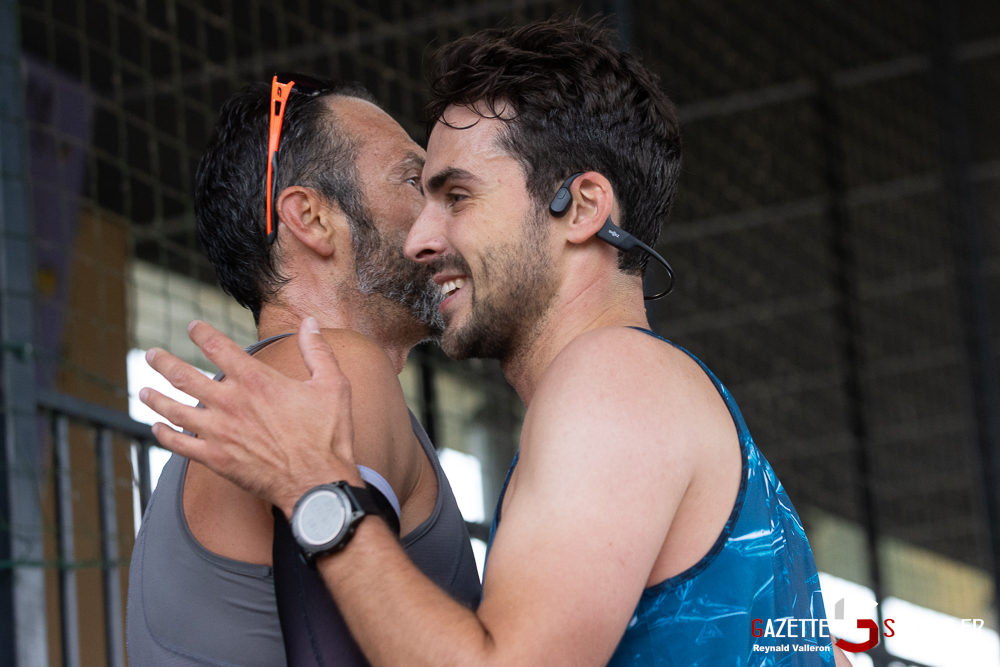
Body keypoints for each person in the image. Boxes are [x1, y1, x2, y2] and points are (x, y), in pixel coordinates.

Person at [139, 20, 851, 667]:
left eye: (455, 195)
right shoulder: (653, 403)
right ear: (309, 220)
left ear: (582, 207)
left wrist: (317, 492)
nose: (423, 235)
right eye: (417, 186)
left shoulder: (614, 379)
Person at [125, 74, 481, 667]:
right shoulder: (333, 368)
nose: (443, 218)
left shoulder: (303, 380)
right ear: (310, 218)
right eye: (414, 182)